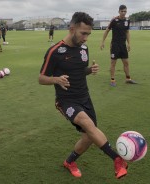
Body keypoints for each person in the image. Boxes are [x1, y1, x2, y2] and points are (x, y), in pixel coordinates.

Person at [39, 12, 128, 179]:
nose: (86, 38)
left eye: (89, 34)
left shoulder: (84, 48)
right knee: (87, 123)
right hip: (66, 100)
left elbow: (78, 71)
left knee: (88, 136)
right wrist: (56, 79)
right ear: (72, 29)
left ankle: (70, 161)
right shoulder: (55, 51)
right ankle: (117, 160)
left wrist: (89, 70)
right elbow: (41, 78)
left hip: (85, 98)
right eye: (83, 33)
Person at [100, 4, 137, 87]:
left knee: (126, 63)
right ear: (119, 11)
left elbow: (127, 32)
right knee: (113, 63)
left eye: (125, 11)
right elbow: (107, 31)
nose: (123, 13)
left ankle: (128, 79)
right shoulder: (114, 20)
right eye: (122, 11)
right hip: (115, 45)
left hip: (123, 45)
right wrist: (103, 42)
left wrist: (129, 43)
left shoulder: (127, 21)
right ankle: (112, 80)